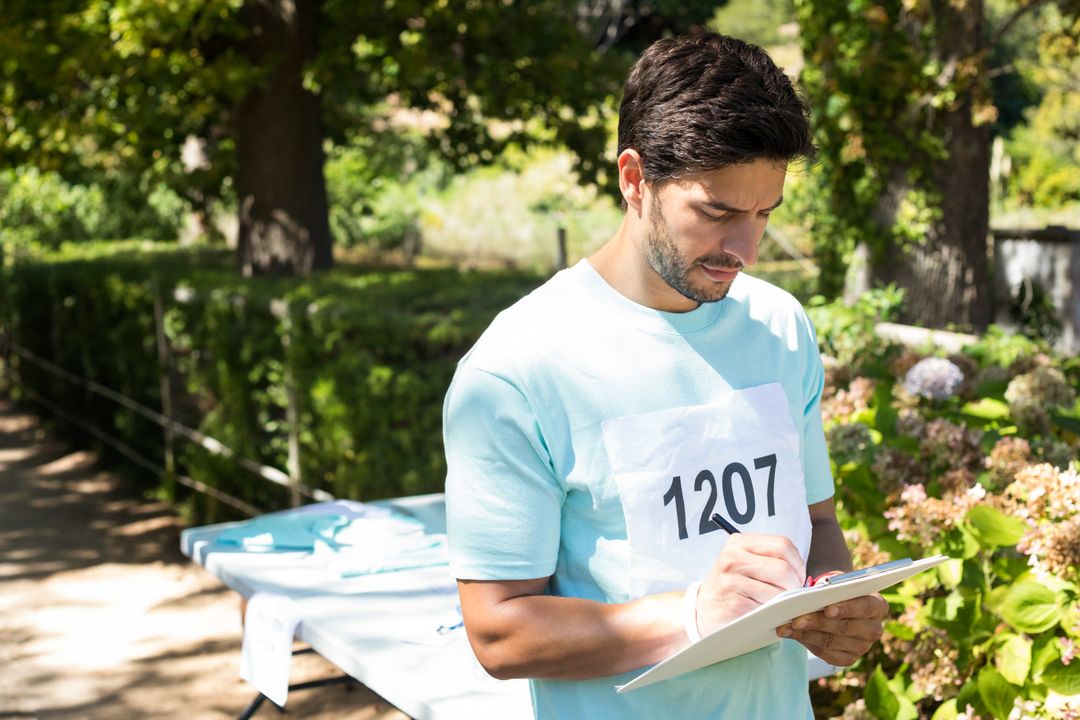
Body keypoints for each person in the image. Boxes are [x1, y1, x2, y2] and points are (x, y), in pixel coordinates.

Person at [442, 32, 889, 719]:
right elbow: (498, 631)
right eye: (717, 213)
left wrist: (834, 599)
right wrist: (693, 614)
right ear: (634, 180)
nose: (745, 249)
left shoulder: (778, 325)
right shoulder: (517, 368)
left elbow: (816, 519)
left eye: (764, 214)